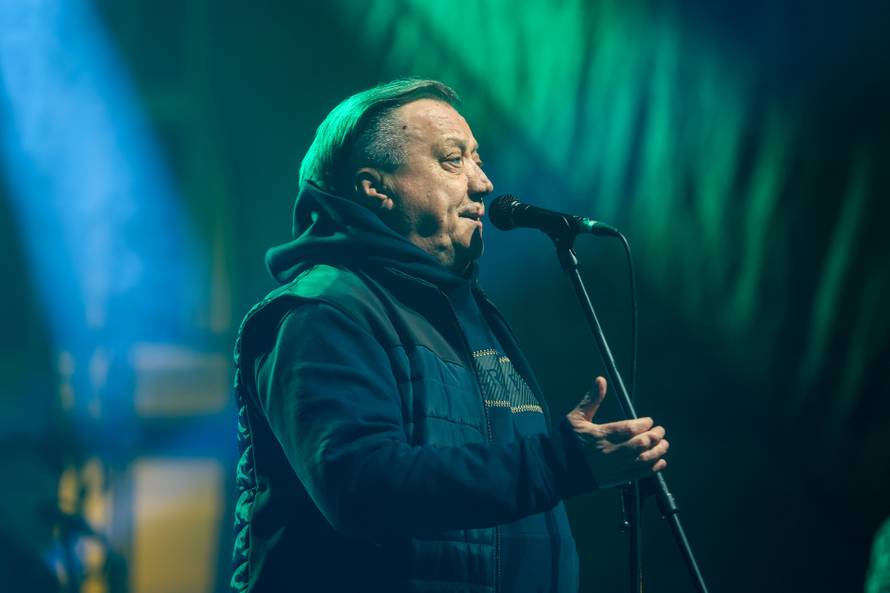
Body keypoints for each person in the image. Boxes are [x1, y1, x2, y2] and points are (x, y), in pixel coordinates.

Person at [230, 78, 669, 593]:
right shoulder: (322, 312)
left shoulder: (471, 316)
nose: (483, 183)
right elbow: (361, 486)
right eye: (453, 159)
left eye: (477, 159)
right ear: (377, 188)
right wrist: (559, 463)